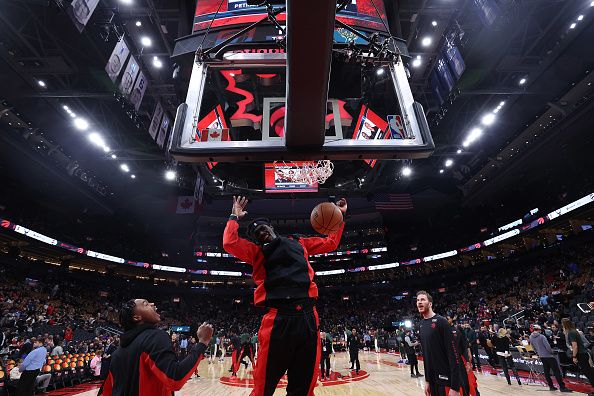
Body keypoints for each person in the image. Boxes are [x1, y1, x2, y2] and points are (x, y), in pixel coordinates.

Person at [222, 196, 347, 396]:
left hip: (308, 317)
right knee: (262, 388)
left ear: (271, 228)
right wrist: (233, 217)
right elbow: (230, 242)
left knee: (304, 388)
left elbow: (331, 243)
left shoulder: (299, 242)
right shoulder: (256, 253)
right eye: (256, 233)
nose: (260, 232)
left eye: (262, 228)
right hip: (277, 319)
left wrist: (340, 215)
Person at [101, 299, 213, 396]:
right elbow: (175, 378)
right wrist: (202, 342)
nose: (152, 304)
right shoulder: (154, 336)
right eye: (146, 304)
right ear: (137, 317)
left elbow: (105, 392)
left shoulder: (116, 354)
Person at [416, 291, 463, 396]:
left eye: (423, 299)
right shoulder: (421, 325)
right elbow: (426, 356)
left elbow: (454, 354)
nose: (419, 302)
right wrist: (427, 380)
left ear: (430, 304)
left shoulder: (442, 322)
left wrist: (455, 387)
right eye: (418, 300)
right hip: (432, 380)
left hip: (445, 380)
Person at [529, 325, 572, 392]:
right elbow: (548, 347)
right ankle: (562, 387)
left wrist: (538, 353)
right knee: (556, 371)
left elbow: (533, 347)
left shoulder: (531, 337)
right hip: (549, 356)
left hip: (542, 356)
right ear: (539, 330)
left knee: (546, 372)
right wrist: (552, 352)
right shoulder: (542, 337)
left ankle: (551, 386)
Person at [562, 318, 594, 393]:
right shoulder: (573, 331)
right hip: (582, 354)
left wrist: (574, 357)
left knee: (588, 372)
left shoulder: (571, 332)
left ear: (565, 325)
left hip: (581, 354)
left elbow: (575, 346)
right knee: (588, 372)